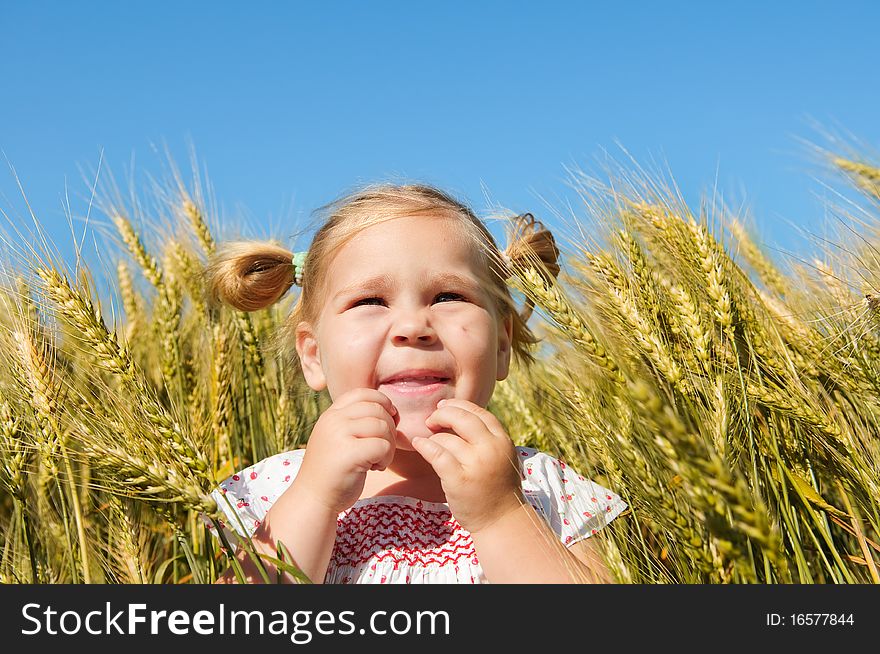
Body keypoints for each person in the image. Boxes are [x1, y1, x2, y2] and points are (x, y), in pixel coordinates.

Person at [204, 184, 627, 584]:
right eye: (369, 301)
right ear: (313, 355)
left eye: (448, 296)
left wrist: (501, 514)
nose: (412, 326)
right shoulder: (280, 488)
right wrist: (314, 499)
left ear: (501, 345)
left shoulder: (540, 487)